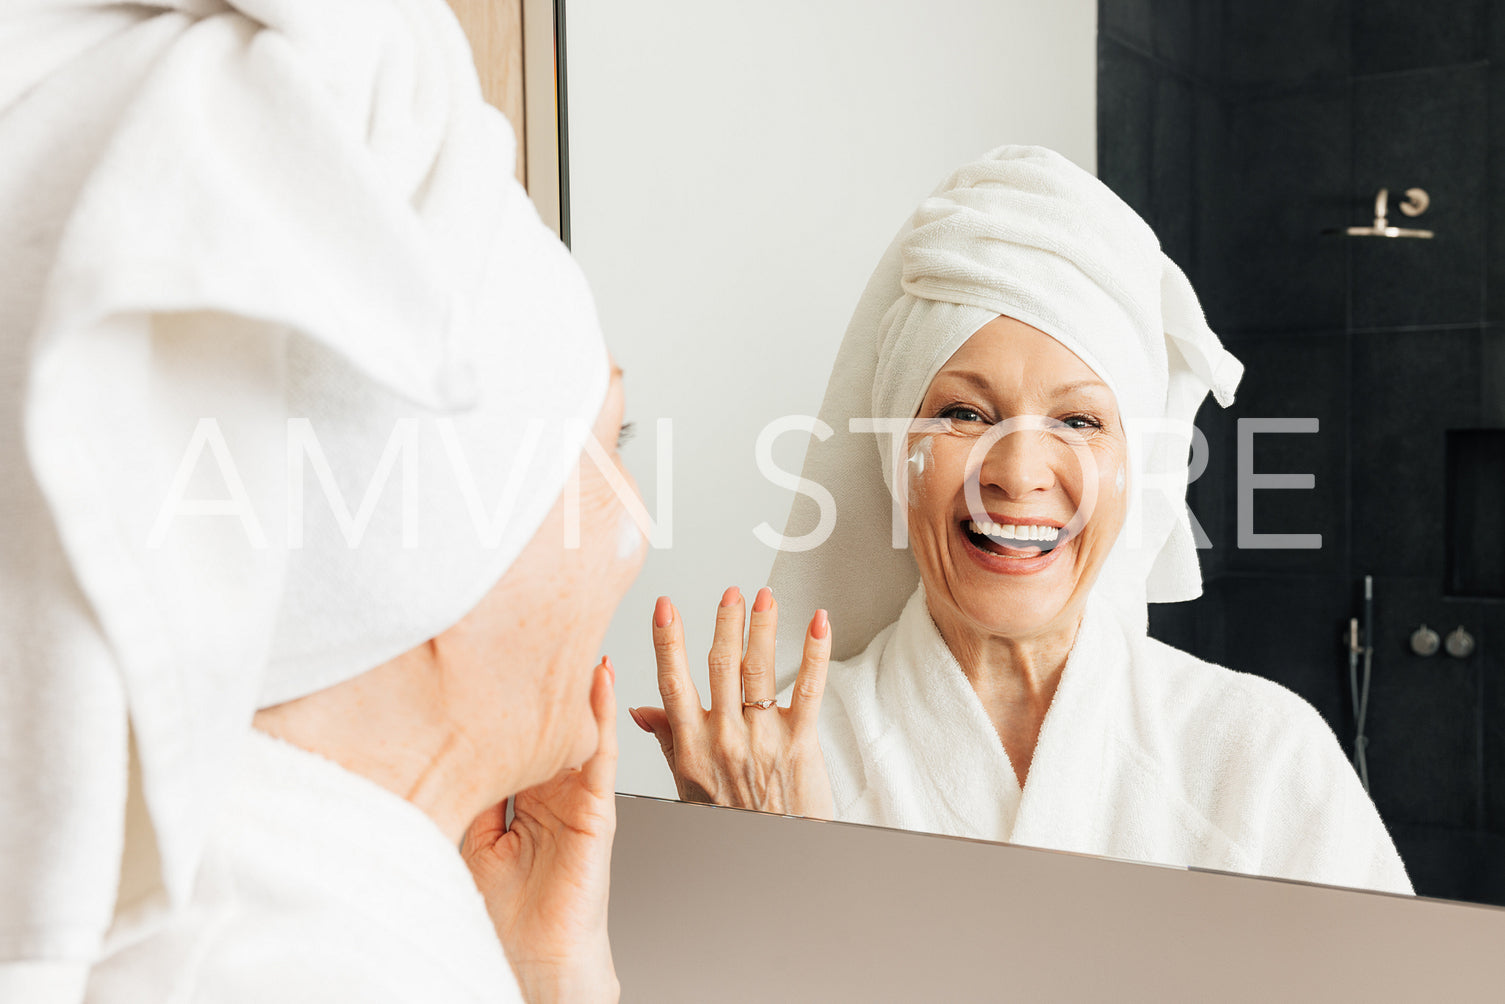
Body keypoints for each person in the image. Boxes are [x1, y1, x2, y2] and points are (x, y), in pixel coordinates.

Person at [0, 1, 642, 1000]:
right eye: (608, 451)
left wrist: (552, 977)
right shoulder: (302, 965)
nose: (638, 533)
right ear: (429, 561)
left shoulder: (275, 906)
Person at [632, 146, 1412, 896]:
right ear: (891, 451)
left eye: (1078, 421)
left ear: (1133, 470)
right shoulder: (779, 763)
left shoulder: (1260, 758)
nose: (1017, 474)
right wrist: (766, 865)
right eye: (964, 413)